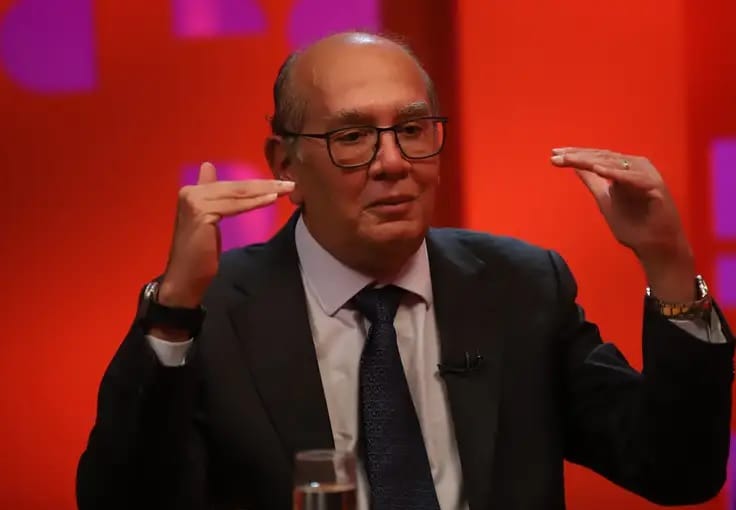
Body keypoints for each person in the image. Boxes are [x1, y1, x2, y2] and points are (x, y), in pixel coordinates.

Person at [76, 31, 734, 510]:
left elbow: (677, 470)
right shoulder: (209, 313)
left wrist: (668, 265)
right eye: (353, 137)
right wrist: (173, 311)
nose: (392, 163)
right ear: (284, 163)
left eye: (413, 130)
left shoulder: (520, 287)